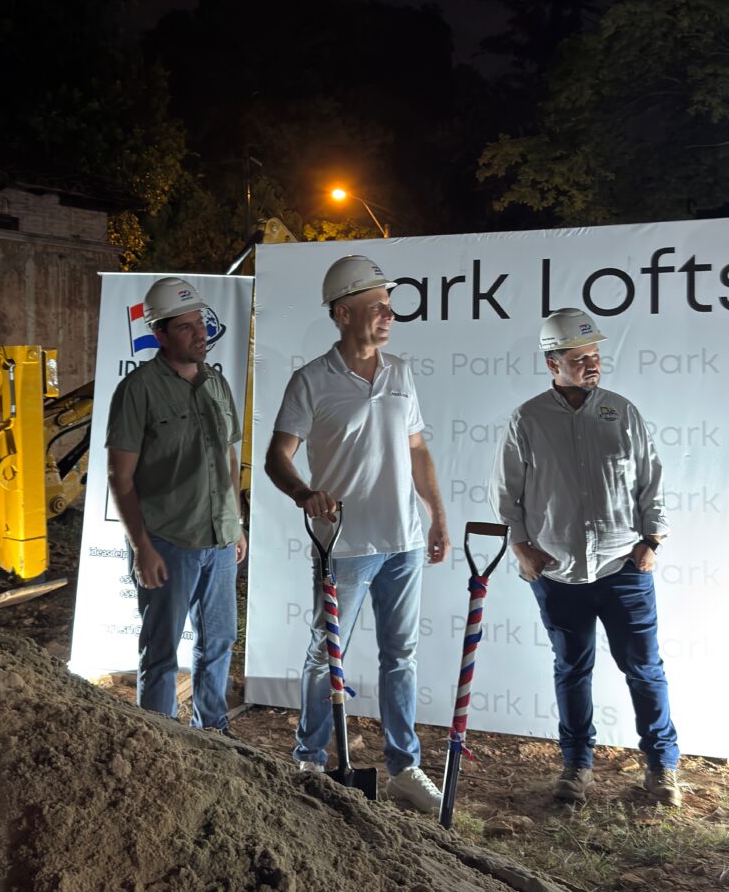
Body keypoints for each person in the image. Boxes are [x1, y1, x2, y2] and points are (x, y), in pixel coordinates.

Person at [265, 254, 451, 812]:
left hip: (404, 542)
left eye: (390, 307)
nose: (389, 315)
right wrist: (304, 493)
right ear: (343, 313)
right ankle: (309, 758)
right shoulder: (311, 380)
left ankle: (404, 768)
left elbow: (417, 451)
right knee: (326, 654)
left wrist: (437, 517)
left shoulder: (401, 373)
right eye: (377, 307)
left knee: (401, 656)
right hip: (343, 545)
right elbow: (277, 457)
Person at [490, 307, 680, 806]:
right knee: (572, 669)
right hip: (558, 572)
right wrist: (521, 548)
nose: (592, 364)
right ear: (553, 364)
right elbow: (506, 493)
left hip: (623, 568)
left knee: (645, 669)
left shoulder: (622, 412)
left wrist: (652, 540)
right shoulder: (528, 419)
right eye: (579, 358)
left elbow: (652, 481)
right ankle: (577, 767)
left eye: (594, 355)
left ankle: (662, 766)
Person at [106, 276, 247, 733]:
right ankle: (160, 742)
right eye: (185, 327)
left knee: (219, 643)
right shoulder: (138, 389)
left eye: (200, 323)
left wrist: (236, 523)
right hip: (168, 542)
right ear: (161, 334)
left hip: (220, 541)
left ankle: (214, 735)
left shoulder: (217, 384)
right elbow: (120, 477)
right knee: (162, 652)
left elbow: (228, 457)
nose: (199, 333)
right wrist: (142, 547)